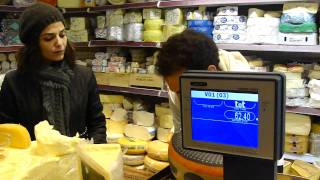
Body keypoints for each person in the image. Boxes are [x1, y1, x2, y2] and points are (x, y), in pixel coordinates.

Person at [0, 2, 106, 144]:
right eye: (49, 38)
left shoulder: (84, 76)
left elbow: (97, 124)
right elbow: (6, 133)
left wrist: (95, 154)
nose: (60, 43)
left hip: (77, 158)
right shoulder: (14, 82)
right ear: (33, 43)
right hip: (35, 161)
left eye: (62, 35)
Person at [156, 29, 221, 134]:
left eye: (183, 93)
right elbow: (180, 134)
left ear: (211, 74)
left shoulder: (250, 90)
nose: (181, 100)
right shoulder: (175, 90)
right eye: (177, 93)